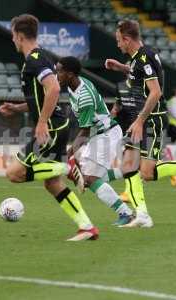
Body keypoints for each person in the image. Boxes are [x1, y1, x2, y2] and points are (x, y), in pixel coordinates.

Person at [104, 20, 176, 227]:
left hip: (152, 119)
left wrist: (140, 120)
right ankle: (142, 215)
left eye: (118, 41)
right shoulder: (138, 57)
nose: (117, 45)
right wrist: (122, 68)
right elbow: (138, 75)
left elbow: (156, 91)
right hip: (139, 118)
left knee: (147, 173)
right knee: (129, 166)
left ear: (127, 39)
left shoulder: (144, 57)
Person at [0, 14, 98, 241]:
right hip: (57, 124)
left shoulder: (34, 58)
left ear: (20, 36)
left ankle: (66, 167)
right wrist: (17, 109)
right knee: (52, 184)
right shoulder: (39, 56)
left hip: (51, 126)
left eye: (13, 35)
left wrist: (42, 122)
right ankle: (87, 227)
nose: (13, 40)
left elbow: (53, 89)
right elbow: (41, 97)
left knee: (13, 174)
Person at [56, 56, 134, 226]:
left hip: (105, 135)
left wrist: (69, 152)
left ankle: (126, 213)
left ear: (69, 74)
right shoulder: (74, 85)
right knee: (92, 177)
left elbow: (84, 130)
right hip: (99, 134)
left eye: (59, 71)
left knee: (91, 179)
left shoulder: (84, 96)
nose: (57, 75)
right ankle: (131, 171)